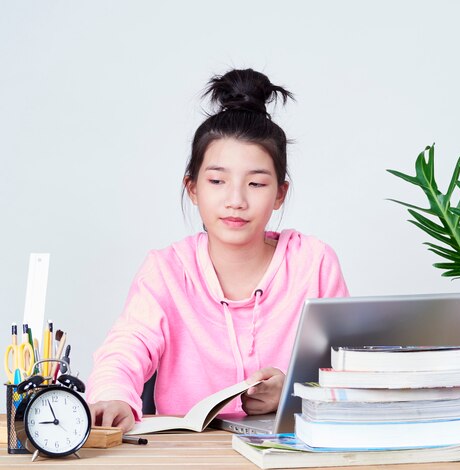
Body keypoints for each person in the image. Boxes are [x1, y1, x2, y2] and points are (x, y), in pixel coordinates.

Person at [86, 69, 349, 432]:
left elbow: (349, 368)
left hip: (291, 449)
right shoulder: (166, 269)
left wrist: (291, 390)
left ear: (279, 194)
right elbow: (127, 345)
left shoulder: (313, 263)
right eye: (216, 181)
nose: (236, 200)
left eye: (256, 183)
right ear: (192, 188)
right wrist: (112, 395)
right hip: (187, 452)